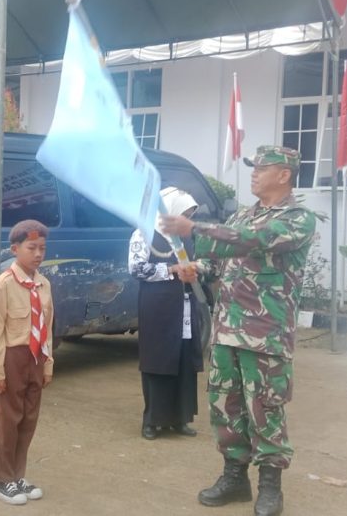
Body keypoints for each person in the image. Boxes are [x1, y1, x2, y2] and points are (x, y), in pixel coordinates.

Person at [162, 145, 315, 516]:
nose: (254, 173)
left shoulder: (297, 219)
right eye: (254, 167)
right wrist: (197, 268)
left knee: (265, 408)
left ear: (284, 174)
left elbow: (253, 241)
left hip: (265, 333)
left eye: (262, 168)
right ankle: (234, 477)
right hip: (227, 329)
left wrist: (194, 227)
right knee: (226, 407)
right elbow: (224, 262)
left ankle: (270, 488)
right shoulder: (245, 215)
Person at [0, 220, 53, 506]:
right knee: (9, 420)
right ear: (15, 249)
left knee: (29, 418)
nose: (38, 254)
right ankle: (2, 479)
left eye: (42, 248)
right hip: (12, 358)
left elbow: (47, 326)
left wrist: (47, 364)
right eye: (31, 247)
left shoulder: (43, 284)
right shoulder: (5, 284)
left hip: (35, 357)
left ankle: (18, 474)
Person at [130, 188, 205, 440]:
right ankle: (152, 420)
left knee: (183, 359)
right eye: (182, 213)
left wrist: (196, 269)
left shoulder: (184, 238)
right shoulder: (144, 234)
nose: (184, 219)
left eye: (189, 215)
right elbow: (137, 269)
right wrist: (172, 269)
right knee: (158, 360)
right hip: (158, 307)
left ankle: (179, 419)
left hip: (184, 305)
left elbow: (198, 262)